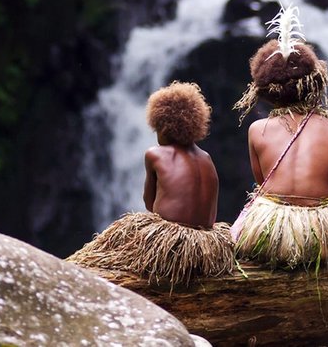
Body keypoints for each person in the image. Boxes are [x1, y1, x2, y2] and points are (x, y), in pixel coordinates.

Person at [231, 5, 328, 270]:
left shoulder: (257, 129)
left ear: (265, 92)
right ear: (315, 84)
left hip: (270, 232)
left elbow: (263, 187)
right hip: (324, 233)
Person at [67, 82, 235, 286]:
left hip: (171, 243)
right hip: (207, 246)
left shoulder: (155, 154)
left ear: (163, 127)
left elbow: (149, 204)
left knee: (111, 244)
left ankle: (74, 275)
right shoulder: (206, 158)